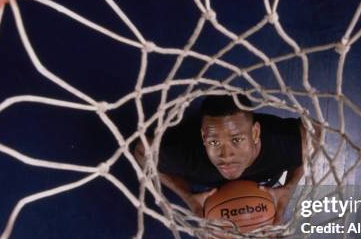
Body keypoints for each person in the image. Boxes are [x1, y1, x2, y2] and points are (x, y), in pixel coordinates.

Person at [134, 95, 312, 221]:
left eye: (237, 140)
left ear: (255, 133)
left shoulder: (283, 144)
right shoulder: (185, 153)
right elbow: (141, 151)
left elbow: (315, 132)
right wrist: (187, 196)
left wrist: (290, 187)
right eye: (214, 142)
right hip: (205, 185)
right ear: (204, 137)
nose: (226, 155)